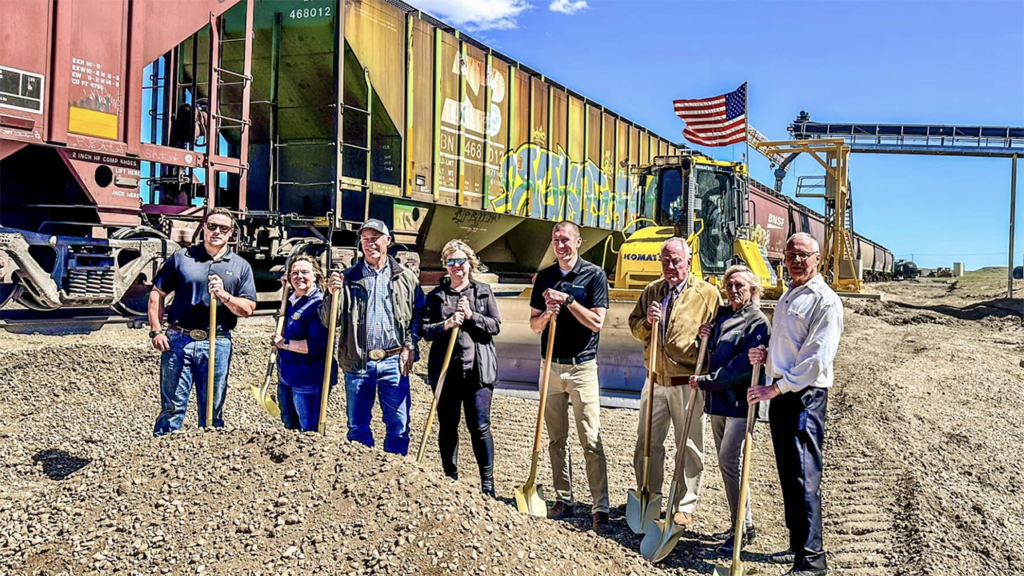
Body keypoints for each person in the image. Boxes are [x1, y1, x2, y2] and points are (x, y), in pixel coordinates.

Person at [748, 232, 843, 576]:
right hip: (782, 394)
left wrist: (777, 388)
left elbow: (815, 359)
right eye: (791, 255)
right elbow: (789, 344)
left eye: (804, 255)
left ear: (817, 258)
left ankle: (813, 561)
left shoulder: (825, 301)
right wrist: (768, 354)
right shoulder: (790, 294)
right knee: (788, 473)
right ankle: (797, 546)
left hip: (804, 397)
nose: (797, 261)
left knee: (804, 477)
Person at [626, 237, 719, 528]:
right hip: (654, 379)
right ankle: (649, 495)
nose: (670, 266)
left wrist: (707, 342)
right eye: (665, 261)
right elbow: (634, 328)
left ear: (688, 261)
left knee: (688, 446)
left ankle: (684, 505)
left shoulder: (707, 294)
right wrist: (647, 323)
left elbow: (718, 336)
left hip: (686, 383)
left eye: (676, 260)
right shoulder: (652, 291)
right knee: (647, 443)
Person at [529, 221, 613, 535]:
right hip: (550, 365)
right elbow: (534, 325)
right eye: (556, 240)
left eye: (565, 239)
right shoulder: (545, 277)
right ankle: (564, 498)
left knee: (590, 439)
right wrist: (548, 313)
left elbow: (596, 323)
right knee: (555, 438)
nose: (560, 245)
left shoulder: (594, 275)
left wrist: (568, 301)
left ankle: (600, 507)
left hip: (582, 368)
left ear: (578, 242)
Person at [149, 207, 257, 436]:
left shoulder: (240, 266)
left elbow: (248, 309)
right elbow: (157, 294)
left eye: (223, 228)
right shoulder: (182, 257)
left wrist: (224, 296)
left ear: (231, 233)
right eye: (212, 226)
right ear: (204, 228)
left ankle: (208, 453)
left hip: (217, 342)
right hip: (178, 340)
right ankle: (162, 451)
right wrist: (156, 331)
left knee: (212, 410)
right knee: (172, 409)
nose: (217, 231)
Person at [323, 219, 425, 455]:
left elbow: (419, 315)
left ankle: (395, 472)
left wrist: (410, 344)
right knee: (357, 427)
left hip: (394, 362)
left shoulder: (407, 278)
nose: (370, 244)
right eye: (365, 239)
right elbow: (330, 321)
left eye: (375, 238)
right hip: (358, 361)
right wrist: (330, 294)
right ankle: (361, 473)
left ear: (388, 241)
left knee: (398, 427)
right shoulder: (348, 278)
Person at [689, 265, 770, 556]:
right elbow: (711, 351)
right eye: (730, 285)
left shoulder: (758, 322)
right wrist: (702, 337)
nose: (734, 290)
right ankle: (743, 523)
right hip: (717, 401)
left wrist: (708, 380)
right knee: (728, 466)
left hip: (739, 401)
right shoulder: (722, 315)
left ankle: (741, 528)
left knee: (729, 461)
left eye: (740, 286)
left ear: (753, 290)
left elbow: (742, 367)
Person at [421, 240, 501, 497]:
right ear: (445, 266)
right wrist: (446, 324)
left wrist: (471, 316)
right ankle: (450, 478)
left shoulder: (483, 292)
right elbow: (425, 330)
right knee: (448, 425)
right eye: (451, 261)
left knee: (479, 426)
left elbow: (495, 326)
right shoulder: (437, 296)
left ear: (470, 263)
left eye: (460, 261)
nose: (456, 266)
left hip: (478, 371)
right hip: (446, 371)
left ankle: (487, 485)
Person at [271, 255, 337, 432]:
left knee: (308, 430)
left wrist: (284, 343)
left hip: (309, 378)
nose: (299, 276)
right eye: (294, 273)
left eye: (304, 272)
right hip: (287, 375)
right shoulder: (291, 300)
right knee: (289, 425)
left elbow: (316, 346)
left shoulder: (319, 304)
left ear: (315, 275)